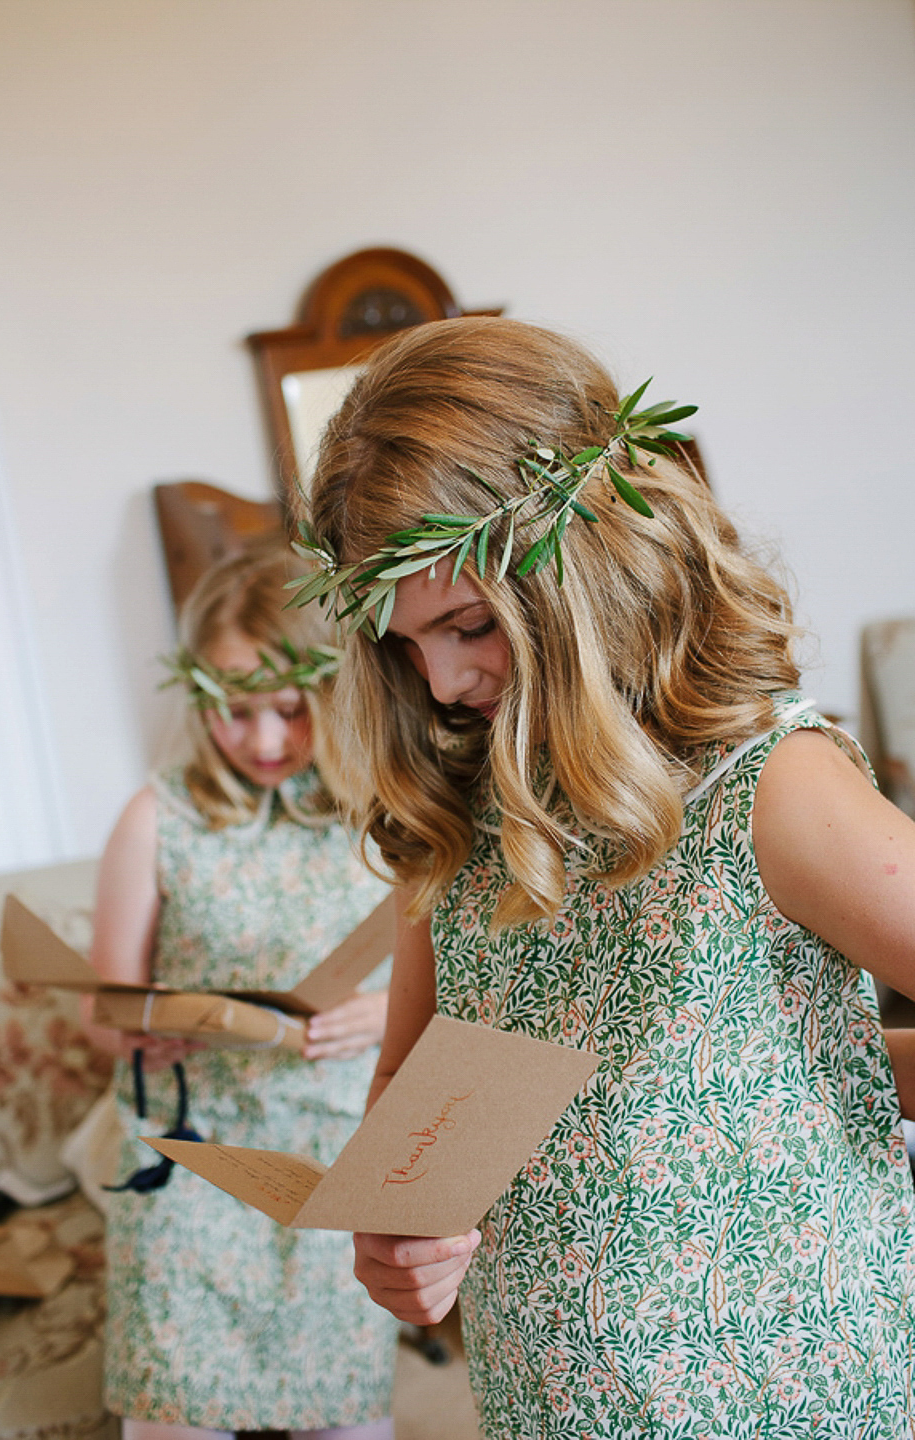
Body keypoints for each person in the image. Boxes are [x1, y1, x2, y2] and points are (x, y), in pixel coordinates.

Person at [294, 316, 915, 1438]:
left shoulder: (768, 788)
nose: (437, 682)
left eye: (469, 624)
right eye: (403, 644)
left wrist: (844, 1082)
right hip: (544, 1399)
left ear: (586, 568)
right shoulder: (461, 823)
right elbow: (413, 1099)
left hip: (784, 1399)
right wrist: (399, 1239)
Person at [86, 540, 398, 1440]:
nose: (263, 740)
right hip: (190, 1170)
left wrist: (378, 1016)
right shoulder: (157, 818)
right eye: (235, 710)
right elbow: (99, 1011)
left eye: (290, 709)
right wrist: (153, 1027)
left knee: (346, 1424)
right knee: (175, 1419)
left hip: (334, 1166)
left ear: (335, 690)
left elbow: (455, 989)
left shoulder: (381, 817)